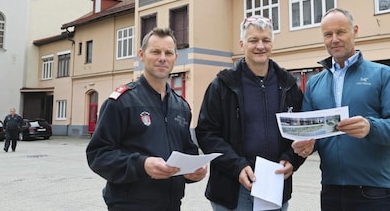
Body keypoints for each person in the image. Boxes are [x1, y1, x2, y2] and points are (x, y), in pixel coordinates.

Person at [291, 8, 390, 211]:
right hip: (330, 190)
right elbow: (313, 134)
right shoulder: (314, 84)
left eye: (341, 32)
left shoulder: (383, 75)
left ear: (355, 31)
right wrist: (305, 146)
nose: (335, 39)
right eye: (328, 34)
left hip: (374, 190)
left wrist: (370, 127)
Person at [86, 27, 206, 211]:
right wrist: (141, 165)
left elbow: (187, 152)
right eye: (155, 52)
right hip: (129, 205)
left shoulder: (181, 107)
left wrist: (194, 171)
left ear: (176, 57)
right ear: (141, 55)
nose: (162, 58)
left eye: (168, 53)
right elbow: (98, 155)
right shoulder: (122, 102)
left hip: (171, 205)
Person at [196, 15, 306, 211]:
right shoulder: (222, 84)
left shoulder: (288, 84)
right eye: (253, 40)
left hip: (274, 186)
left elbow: (300, 132)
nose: (260, 46)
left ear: (272, 43)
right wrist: (236, 165)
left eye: (266, 40)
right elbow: (206, 133)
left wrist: (292, 159)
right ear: (242, 44)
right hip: (232, 190)